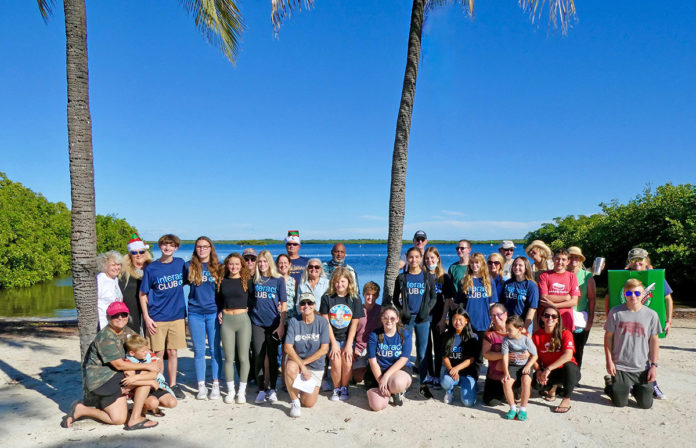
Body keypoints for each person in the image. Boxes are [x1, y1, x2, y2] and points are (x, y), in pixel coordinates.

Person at [62, 302, 159, 430]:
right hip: (102, 380)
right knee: (145, 381)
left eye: (123, 314)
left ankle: (81, 410)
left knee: (118, 419)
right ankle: (135, 418)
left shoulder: (127, 331)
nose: (120, 318)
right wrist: (146, 367)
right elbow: (118, 365)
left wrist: (152, 360)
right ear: (109, 318)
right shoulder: (105, 337)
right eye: (115, 315)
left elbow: (142, 348)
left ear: (127, 316)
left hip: (116, 375)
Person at [617, 247, 674, 400]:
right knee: (628, 351)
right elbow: (611, 296)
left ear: (646, 261)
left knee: (650, 353)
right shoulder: (622, 277)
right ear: (629, 262)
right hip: (629, 323)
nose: (637, 263)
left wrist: (668, 320)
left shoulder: (656, 276)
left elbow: (667, 299)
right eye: (633, 260)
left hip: (648, 322)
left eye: (640, 260)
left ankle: (652, 383)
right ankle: (628, 382)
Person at [139, 234, 187, 399]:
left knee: (172, 351)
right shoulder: (152, 268)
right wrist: (146, 317)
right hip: (157, 316)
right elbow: (142, 293)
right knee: (158, 353)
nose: (168, 248)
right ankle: (159, 384)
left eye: (171, 245)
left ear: (176, 248)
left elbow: (194, 276)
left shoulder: (180, 264)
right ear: (160, 247)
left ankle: (173, 384)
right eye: (165, 245)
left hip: (177, 316)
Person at [604, 278, 661, 409]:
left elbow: (654, 340)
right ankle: (610, 386)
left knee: (646, 404)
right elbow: (608, 338)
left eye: (637, 293)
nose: (633, 296)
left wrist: (653, 365)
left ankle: (635, 390)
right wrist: (609, 361)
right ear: (624, 294)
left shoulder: (652, 315)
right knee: (620, 403)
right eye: (629, 293)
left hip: (642, 367)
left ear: (643, 294)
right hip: (621, 366)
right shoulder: (615, 312)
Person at [391, 246, 437, 398]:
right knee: (405, 348)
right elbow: (394, 298)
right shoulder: (402, 278)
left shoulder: (427, 277)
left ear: (421, 258)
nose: (414, 260)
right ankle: (403, 380)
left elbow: (433, 298)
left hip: (422, 319)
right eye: (411, 257)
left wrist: (427, 310)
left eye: (417, 257)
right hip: (407, 319)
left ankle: (423, 381)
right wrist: (401, 311)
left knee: (422, 351)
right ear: (407, 259)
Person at [186, 236, 223, 400]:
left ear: (210, 248)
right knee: (199, 351)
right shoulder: (189, 266)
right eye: (199, 246)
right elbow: (175, 287)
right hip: (195, 313)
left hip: (213, 312)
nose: (202, 249)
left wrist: (223, 310)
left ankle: (215, 384)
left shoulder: (218, 268)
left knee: (215, 350)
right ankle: (201, 386)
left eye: (205, 246)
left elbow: (224, 292)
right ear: (195, 249)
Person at [320, 267, 364, 401]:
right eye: (337, 281)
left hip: (348, 338)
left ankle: (344, 387)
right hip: (332, 337)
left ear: (349, 282)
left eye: (343, 281)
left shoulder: (354, 299)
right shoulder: (327, 298)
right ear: (333, 282)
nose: (340, 285)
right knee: (335, 361)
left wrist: (350, 344)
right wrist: (333, 343)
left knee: (347, 361)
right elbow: (325, 322)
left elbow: (354, 323)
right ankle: (336, 388)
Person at [284, 293, 330, 417]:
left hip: (315, 366)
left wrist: (304, 364)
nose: (306, 306)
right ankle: (294, 402)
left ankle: (298, 389)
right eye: (303, 303)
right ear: (299, 306)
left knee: (309, 403)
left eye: (309, 303)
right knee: (290, 367)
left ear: (314, 305)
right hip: (297, 363)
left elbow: (324, 349)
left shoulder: (322, 322)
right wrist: (302, 366)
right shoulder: (294, 321)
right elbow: (288, 347)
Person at [216, 253, 254, 404]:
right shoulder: (221, 281)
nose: (234, 267)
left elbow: (253, 299)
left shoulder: (247, 281)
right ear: (227, 265)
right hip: (227, 321)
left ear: (242, 265)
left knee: (244, 357)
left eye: (237, 264)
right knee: (229, 357)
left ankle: (241, 392)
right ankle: (231, 391)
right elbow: (218, 299)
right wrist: (220, 311)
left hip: (243, 321)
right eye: (231, 264)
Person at [251, 250, 287, 403]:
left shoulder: (278, 280)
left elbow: (284, 304)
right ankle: (261, 388)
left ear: (270, 263)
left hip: (273, 323)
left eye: (265, 261)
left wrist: (281, 325)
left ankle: (272, 388)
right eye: (259, 261)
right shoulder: (255, 280)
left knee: (272, 358)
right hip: (257, 323)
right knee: (258, 355)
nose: (262, 264)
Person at [532, 304, 579, 414]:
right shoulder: (536, 336)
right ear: (542, 318)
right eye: (547, 315)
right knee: (536, 384)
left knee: (569, 366)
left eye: (554, 316)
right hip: (550, 372)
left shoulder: (565, 333)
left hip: (567, 373)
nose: (550, 319)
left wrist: (548, 369)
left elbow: (568, 355)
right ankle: (553, 388)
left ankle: (566, 399)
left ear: (558, 320)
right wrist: (538, 370)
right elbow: (533, 357)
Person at [366, 306, 413, 411]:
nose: (389, 321)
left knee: (398, 383)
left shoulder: (404, 334)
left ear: (397, 319)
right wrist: (381, 382)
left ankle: (395, 391)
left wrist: (386, 376)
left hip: (398, 370)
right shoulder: (374, 335)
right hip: (378, 372)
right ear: (381, 319)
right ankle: (388, 392)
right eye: (385, 318)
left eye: (392, 318)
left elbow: (404, 359)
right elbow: (372, 362)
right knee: (376, 406)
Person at [424, 246, 455, 389]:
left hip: (438, 317)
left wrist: (444, 319)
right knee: (426, 347)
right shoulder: (421, 275)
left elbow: (448, 299)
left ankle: (437, 374)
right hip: (424, 318)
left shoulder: (444, 277)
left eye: (432, 258)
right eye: (427, 258)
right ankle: (429, 374)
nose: (430, 260)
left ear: (438, 259)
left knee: (438, 347)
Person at [124, 335, 178, 413]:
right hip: (139, 389)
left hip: (154, 385)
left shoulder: (149, 356)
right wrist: (150, 381)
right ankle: (143, 408)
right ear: (132, 353)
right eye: (143, 351)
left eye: (147, 349)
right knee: (153, 403)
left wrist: (136, 377)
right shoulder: (129, 362)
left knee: (172, 403)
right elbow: (129, 382)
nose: (146, 352)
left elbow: (154, 374)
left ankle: (150, 406)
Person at [501, 315, 538, 421]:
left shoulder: (526, 340)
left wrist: (528, 366)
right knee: (506, 382)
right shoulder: (506, 340)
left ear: (520, 329)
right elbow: (504, 357)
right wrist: (506, 372)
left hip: (525, 366)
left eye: (510, 330)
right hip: (512, 366)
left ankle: (523, 408)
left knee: (526, 381)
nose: (507, 332)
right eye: (506, 329)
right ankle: (512, 407)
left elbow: (535, 355)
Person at [440, 307, 479, 407]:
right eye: (454, 319)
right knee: (445, 381)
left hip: (467, 374)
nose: (457, 322)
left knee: (468, 403)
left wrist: (457, 368)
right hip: (452, 372)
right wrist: (451, 370)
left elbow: (471, 359)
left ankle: (471, 387)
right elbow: (445, 357)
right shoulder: (447, 335)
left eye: (460, 319)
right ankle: (449, 391)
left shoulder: (473, 337)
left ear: (466, 321)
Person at [457, 252, 499, 341]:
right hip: (467, 322)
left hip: (484, 321)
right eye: (472, 262)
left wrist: (493, 319)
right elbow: (460, 303)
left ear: (482, 264)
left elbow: (492, 303)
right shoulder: (464, 281)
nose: (474, 265)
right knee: (468, 351)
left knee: (481, 351)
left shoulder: (489, 281)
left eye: (477, 262)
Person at [567, 246, 595, 370]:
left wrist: (591, 320)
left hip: (581, 319)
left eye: (576, 257)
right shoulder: (562, 274)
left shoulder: (587, 276)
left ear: (580, 260)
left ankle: (576, 375)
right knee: (564, 348)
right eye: (570, 257)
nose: (573, 260)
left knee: (578, 348)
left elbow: (592, 299)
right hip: (564, 317)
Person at [538, 249, 580, 333]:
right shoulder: (544, 275)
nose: (560, 262)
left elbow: (574, 302)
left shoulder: (572, 277)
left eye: (563, 259)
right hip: (547, 321)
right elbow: (544, 297)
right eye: (557, 258)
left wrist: (554, 305)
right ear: (553, 259)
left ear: (568, 261)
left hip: (565, 320)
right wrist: (566, 297)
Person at [119, 234, 152, 334]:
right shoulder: (123, 272)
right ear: (130, 254)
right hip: (131, 312)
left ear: (146, 252)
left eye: (141, 251)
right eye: (134, 252)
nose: (138, 255)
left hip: (151, 310)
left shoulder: (152, 269)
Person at [353, 281, 383, 384]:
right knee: (358, 378)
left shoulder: (380, 310)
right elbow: (351, 333)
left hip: (373, 347)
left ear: (377, 296)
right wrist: (353, 349)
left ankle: (370, 370)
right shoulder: (357, 310)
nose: (370, 297)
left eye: (374, 295)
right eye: (368, 294)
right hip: (359, 348)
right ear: (364, 294)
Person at [482, 303, 510, 405]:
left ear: (506, 314)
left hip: (512, 374)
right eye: (493, 315)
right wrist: (504, 355)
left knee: (512, 399)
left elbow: (529, 350)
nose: (496, 318)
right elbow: (486, 354)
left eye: (499, 314)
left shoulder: (518, 329)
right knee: (491, 402)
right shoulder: (489, 334)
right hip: (495, 376)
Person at [502, 257, 539, 332]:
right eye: (515, 265)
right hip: (507, 323)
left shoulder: (531, 285)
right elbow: (502, 304)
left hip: (522, 324)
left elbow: (532, 309)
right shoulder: (507, 283)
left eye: (520, 265)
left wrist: (524, 328)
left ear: (526, 268)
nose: (517, 267)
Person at [96, 251, 124, 330]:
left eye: (118, 264)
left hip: (115, 324)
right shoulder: (100, 279)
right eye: (113, 265)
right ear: (105, 266)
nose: (116, 268)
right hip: (103, 324)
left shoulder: (114, 279)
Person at [276, 254, 297, 320]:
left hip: (291, 318)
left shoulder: (294, 281)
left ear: (289, 264)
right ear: (277, 265)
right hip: (277, 318)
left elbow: (296, 300)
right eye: (280, 263)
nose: (283, 265)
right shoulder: (273, 281)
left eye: (285, 263)